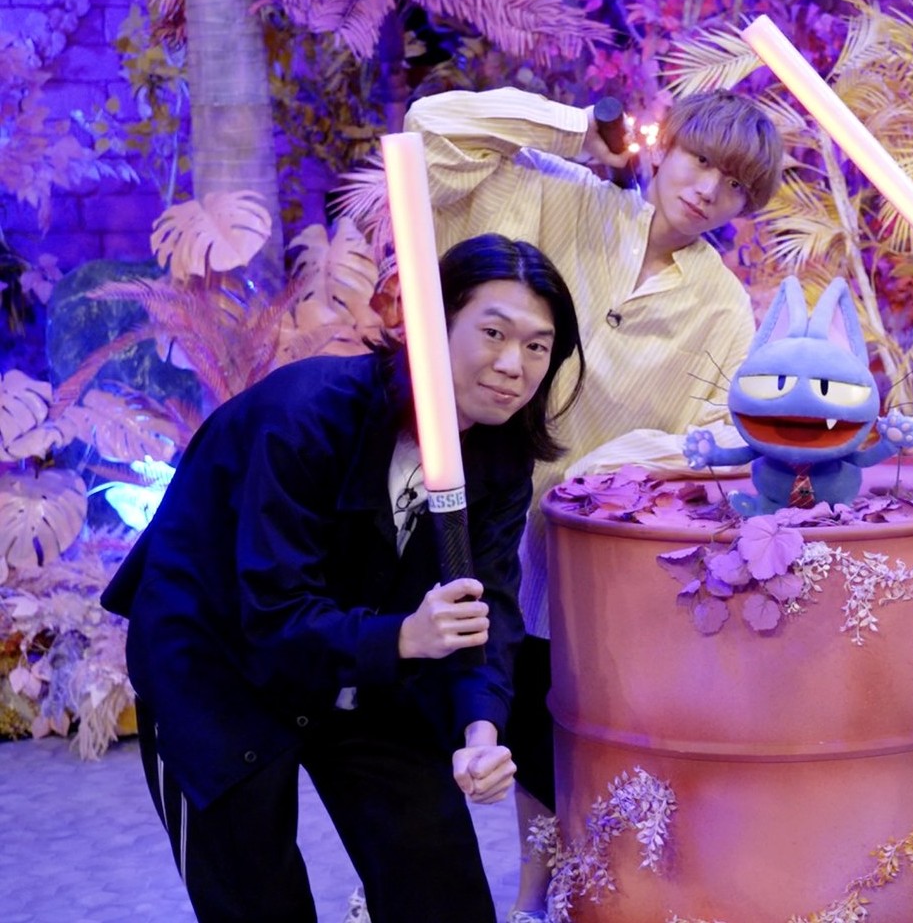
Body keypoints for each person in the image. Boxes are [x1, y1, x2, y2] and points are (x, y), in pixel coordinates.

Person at [100, 234, 584, 922]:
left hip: (368, 656)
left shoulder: (501, 457)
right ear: (433, 322)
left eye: (537, 346)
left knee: (438, 886)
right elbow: (273, 614)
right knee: (254, 901)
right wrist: (406, 638)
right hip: (217, 662)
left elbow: (489, 608)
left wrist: (481, 729)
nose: (514, 365)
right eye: (493, 333)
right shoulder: (306, 415)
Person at [405, 85, 782, 922]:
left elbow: (719, 438)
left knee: (541, 737)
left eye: (734, 186)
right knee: (421, 713)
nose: (707, 190)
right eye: (699, 160)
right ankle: (398, 890)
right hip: (460, 509)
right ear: (663, 146)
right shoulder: (562, 196)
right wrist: (579, 130)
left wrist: (608, 468)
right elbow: (430, 130)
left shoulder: (721, 304)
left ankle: (533, 903)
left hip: (573, 553)